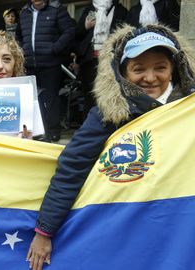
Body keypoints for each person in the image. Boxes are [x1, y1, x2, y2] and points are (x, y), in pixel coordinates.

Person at [26, 24, 195, 270]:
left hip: (180, 225)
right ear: (123, 72)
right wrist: (45, 231)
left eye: (160, 67)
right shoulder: (107, 116)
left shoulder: (188, 112)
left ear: (174, 69)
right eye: (138, 69)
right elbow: (71, 169)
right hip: (128, 231)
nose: (150, 77)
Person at [17, 0, 76, 142]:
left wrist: (55, 48)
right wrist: (22, 50)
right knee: (31, 100)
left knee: (51, 99)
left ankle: (53, 131)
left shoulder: (56, 9)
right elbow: (18, 36)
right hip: (29, 64)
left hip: (50, 63)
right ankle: (36, 131)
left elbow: (70, 31)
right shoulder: (24, 12)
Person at [75, 0, 128, 119]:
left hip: (110, 59)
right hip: (89, 59)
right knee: (89, 95)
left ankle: (105, 125)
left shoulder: (121, 11)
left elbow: (125, 35)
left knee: (108, 94)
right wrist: (85, 26)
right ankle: (88, 125)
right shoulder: (90, 9)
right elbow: (77, 33)